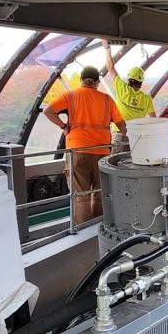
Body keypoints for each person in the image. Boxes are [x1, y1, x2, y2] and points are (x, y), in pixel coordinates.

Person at [42, 66, 124, 223]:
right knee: (101, 194)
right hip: (102, 153)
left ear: (81, 80)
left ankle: (82, 231)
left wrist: (64, 127)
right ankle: (100, 227)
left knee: (81, 196)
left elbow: (48, 111)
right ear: (97, 82)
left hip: (77, 152)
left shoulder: (71, 96)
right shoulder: (107, 100)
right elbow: (122, 126)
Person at [103, 44, 156, 123]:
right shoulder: (147, 99)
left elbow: (110, 67)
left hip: (119, 131)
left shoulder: (122, 89)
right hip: (136, 134)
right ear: (141, 82)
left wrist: (107, 48)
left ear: (129, 79)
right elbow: (154, 120)